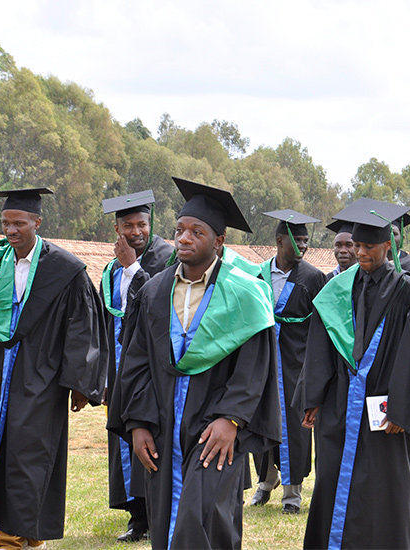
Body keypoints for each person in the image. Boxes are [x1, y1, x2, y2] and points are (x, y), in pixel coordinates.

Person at [107, 178, 282, 550]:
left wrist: (231, 418)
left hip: (214, 427)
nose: (184, 238)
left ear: (219, 241)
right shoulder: (154, 291)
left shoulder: (244, 294)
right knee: (166, 516)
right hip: (162, 423)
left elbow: (255, 367)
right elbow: (135, 362)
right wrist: (137, 422)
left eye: (197, 232)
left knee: (202, 515)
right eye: (180, 231)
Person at [294, 198, 410, 550]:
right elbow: (320, 347)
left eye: (368, 246)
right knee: (333, 481)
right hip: (340, 408)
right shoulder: (337, 289)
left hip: (386, 412)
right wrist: (313, 397)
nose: (361, 252)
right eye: (356, 245)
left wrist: (402, 407)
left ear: (388, 245)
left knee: (386, 489)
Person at [0, 187, 108, 550]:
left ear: (37, 223)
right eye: (6, 223)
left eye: (19, 223)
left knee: (32, 454)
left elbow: (82, 327)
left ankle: (21, 537)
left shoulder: (66, 269)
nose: (11, 230)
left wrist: (79, 383)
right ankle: (16, 535)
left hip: (42, 377)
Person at [99, 190, 174, 542]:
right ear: (116, 228)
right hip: (120, 368)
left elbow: (156, 304)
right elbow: (106, 319)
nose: (136, 231)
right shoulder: (112, 268)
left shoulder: (166, 258)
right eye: (127, 225)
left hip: (153, 369)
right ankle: (136, 515)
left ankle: (156, 512)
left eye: (141, 224)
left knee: (150, 436)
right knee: (124, 439)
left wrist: (132, 266)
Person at [250, 210, 326, 514]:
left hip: (296, 366)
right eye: (298, 240)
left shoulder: (312, 277)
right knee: (258, 422)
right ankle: (267, 480)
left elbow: (321, 328)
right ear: (280, 241)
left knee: (294, 429)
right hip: (261, 364)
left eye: (307, 241)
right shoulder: (257, 275)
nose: (304, 246)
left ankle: (292, 495)